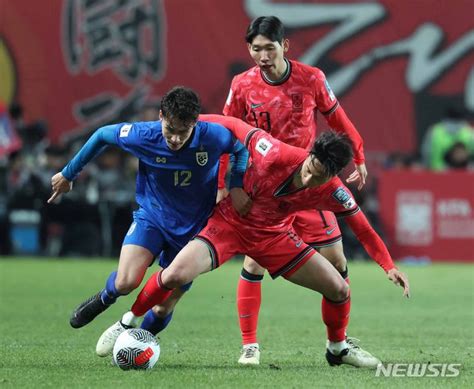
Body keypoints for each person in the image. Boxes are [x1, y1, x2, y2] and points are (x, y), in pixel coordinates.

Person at [97, 114, 410, 369]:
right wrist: (190, 123)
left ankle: (337, 348)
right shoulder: (274, 152)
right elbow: (234, 125)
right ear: (309, 155)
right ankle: (129, 322)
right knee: (175, 275)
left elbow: (363, 228)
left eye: (321, 177)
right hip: (230, 224)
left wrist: (388, 265)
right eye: (312, 169)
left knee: (339, 288)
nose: (311, 180)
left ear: (334, 175)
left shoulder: (333, 190)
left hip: (273, 237)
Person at [48, 87, 249, 350]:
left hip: (194, 230)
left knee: (163, 308)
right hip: (152, 217)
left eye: (183, 132)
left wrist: (235, 184)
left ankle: (137, 343)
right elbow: (101, 135)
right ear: (160, 117)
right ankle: (105, 298)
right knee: (126, 282)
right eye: (170, 130)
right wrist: (68, 174)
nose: (175, 139)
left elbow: (241, 150)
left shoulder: (213, 137)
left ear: (195, 123)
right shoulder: (144, 134)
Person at [219, 16, 368, 364]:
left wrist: (357, 155)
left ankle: (338, 345)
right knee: (254, 262)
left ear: (285, 46)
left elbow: (338, 119)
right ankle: (249, 346)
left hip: (308, 184)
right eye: (256, 49)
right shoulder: (242, 85)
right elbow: (226, 136)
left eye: (270, 48)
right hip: (265, 189)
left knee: (337, 261)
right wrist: (229, 183)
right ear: (249, 50)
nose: (263, 55)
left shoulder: (311, 78)